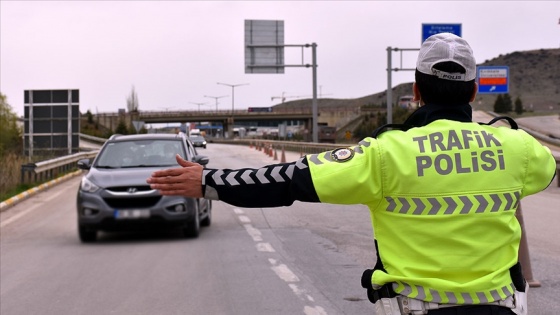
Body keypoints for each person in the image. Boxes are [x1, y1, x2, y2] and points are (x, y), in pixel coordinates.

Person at [146, 33, 556, 315]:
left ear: (416, 89)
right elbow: (547, 168)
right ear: (473, 91)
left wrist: (208, 181)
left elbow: (289, 180)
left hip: (414, 308)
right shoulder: (516, 148)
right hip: (502, 307)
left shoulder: (385, 153)